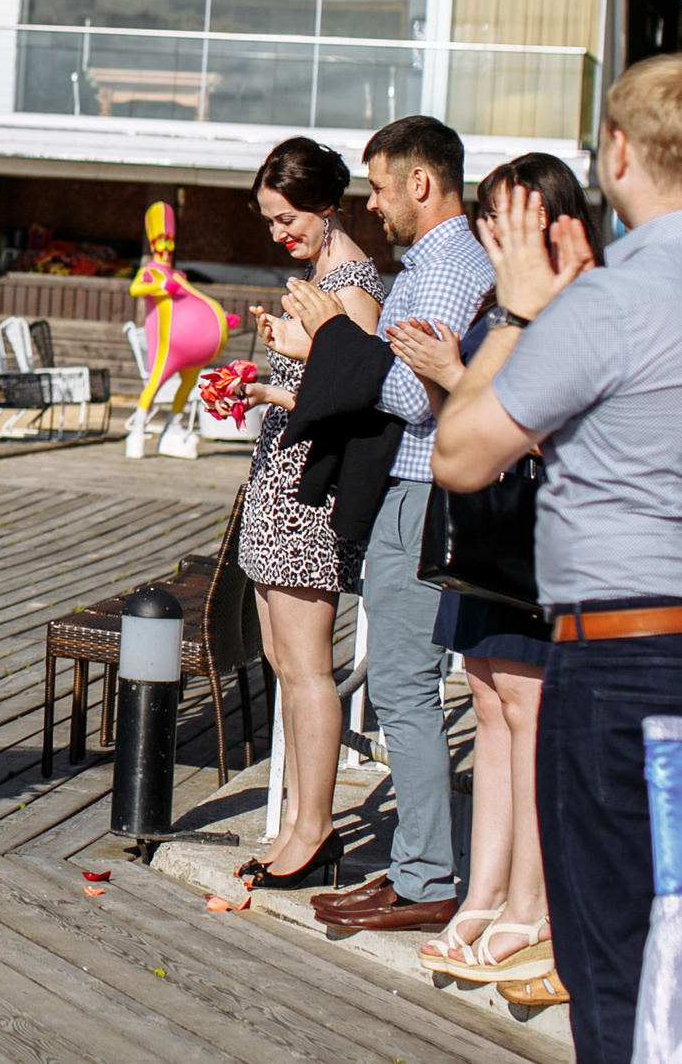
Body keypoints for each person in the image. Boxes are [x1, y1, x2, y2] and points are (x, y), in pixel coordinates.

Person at [432, 55, 682, 1056]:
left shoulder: (609, 304)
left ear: (618, 153)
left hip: (626, 649)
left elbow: (460, 455)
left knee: (615, 960)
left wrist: (518, 314)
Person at [390, 154, 598, 984]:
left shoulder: (577, 305)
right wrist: (449, 380)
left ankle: (530, 903)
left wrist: (456, 376)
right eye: (490, 217)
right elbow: (463, 430)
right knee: (486, 693)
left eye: (510, 217)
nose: (496, 232)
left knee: (529, 702)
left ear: (552, 219)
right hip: (486, 527)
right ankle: (487, 886)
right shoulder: (497, 305)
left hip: (542, 531)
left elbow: (576, 435)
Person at [305, 115, 492, 936]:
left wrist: (338, 344)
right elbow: (400, 372)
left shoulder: (450, 266)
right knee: (397, 688)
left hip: (425, 488)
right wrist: (357, 353)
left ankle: (425, 878)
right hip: (407, 487)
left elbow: (419, 394)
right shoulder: (427, 264)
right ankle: (416, 868)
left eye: (379, 186)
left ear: (422, 182)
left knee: (405, 690)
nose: (371, 203)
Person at [229, 137, 386, 889]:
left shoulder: (354, 281)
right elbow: (319, 378)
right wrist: (264, 379)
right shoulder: (319, 273)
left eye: (286, 217)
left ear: (328, 205)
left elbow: (357, 398)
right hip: (278, 478)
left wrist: (285, 381)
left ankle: (315, 828)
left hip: (307, 492)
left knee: (308, 668)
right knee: (284, 664)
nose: (277, 233)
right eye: (268, 219)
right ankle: (295, 819)